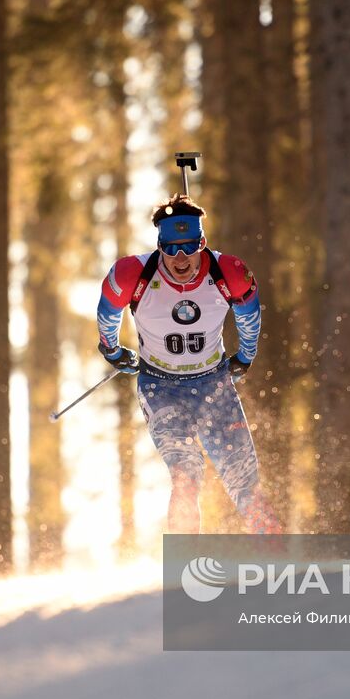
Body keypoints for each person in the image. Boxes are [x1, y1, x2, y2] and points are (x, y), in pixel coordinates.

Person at [96, 194, 281, 535]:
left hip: (213, 383)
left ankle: (278, 560)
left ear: (202, 242)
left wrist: (245, 356)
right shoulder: (132, 273)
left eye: (189, 246)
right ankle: (185, 567)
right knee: (185, 474)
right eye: (171, 248)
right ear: (159, 245)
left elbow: (249, 316)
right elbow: (107, 313)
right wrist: (113, 350)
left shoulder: (230, 272)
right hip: (160, 385)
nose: (181, 258)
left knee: (243, 479)